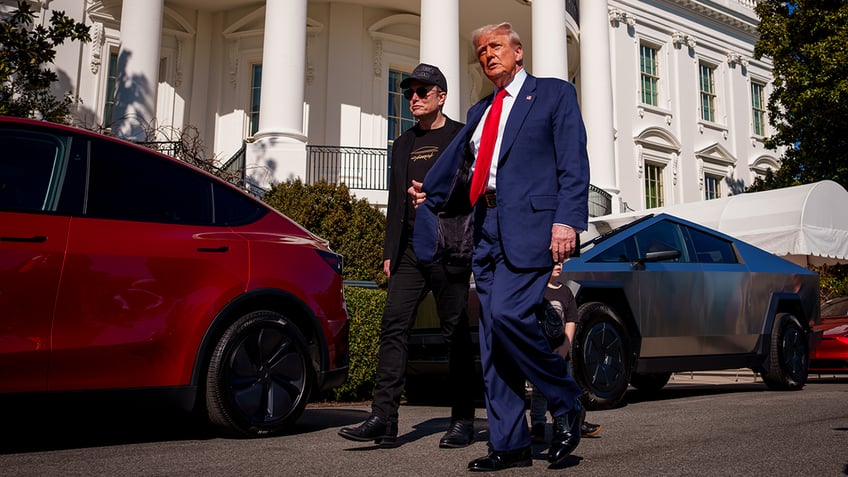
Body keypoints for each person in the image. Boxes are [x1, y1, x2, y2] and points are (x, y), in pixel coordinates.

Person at [410, 23, 590, 471]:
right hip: (485, 230)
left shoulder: (553, 94)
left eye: (495, 47)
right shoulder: (478, 111)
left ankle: (566, 399)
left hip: (533, 226)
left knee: (509, 316)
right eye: (480, 51)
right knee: (493, 341)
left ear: (518, 52)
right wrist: (431, 193)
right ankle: (509, 444)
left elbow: (573, 160)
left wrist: (567, 220)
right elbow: (466, 171)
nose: (487, 55)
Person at [338, 63, 477, 449]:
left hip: (448, 246)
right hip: (410, 250)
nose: (413, 98)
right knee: (393, 327)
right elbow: (395, 201)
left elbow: (473, 189)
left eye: (422, 91)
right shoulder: (401, 144)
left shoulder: (460, 137)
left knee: (455, 334)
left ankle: (463, 419)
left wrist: (438, 197)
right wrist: (389, 251)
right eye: (409, 93)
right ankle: (383, 418)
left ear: (441, 97)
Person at [529, 263, 601, 444]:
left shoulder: (565, 292)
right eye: (554, 262)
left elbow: (571, 320)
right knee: (539, 391)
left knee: (566, 387)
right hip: (541, 352)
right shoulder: (536, 291)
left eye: (561, 261)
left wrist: (564, 346)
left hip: (561, 353)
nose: (558, 265)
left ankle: (566, 423)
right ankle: (537, 425)